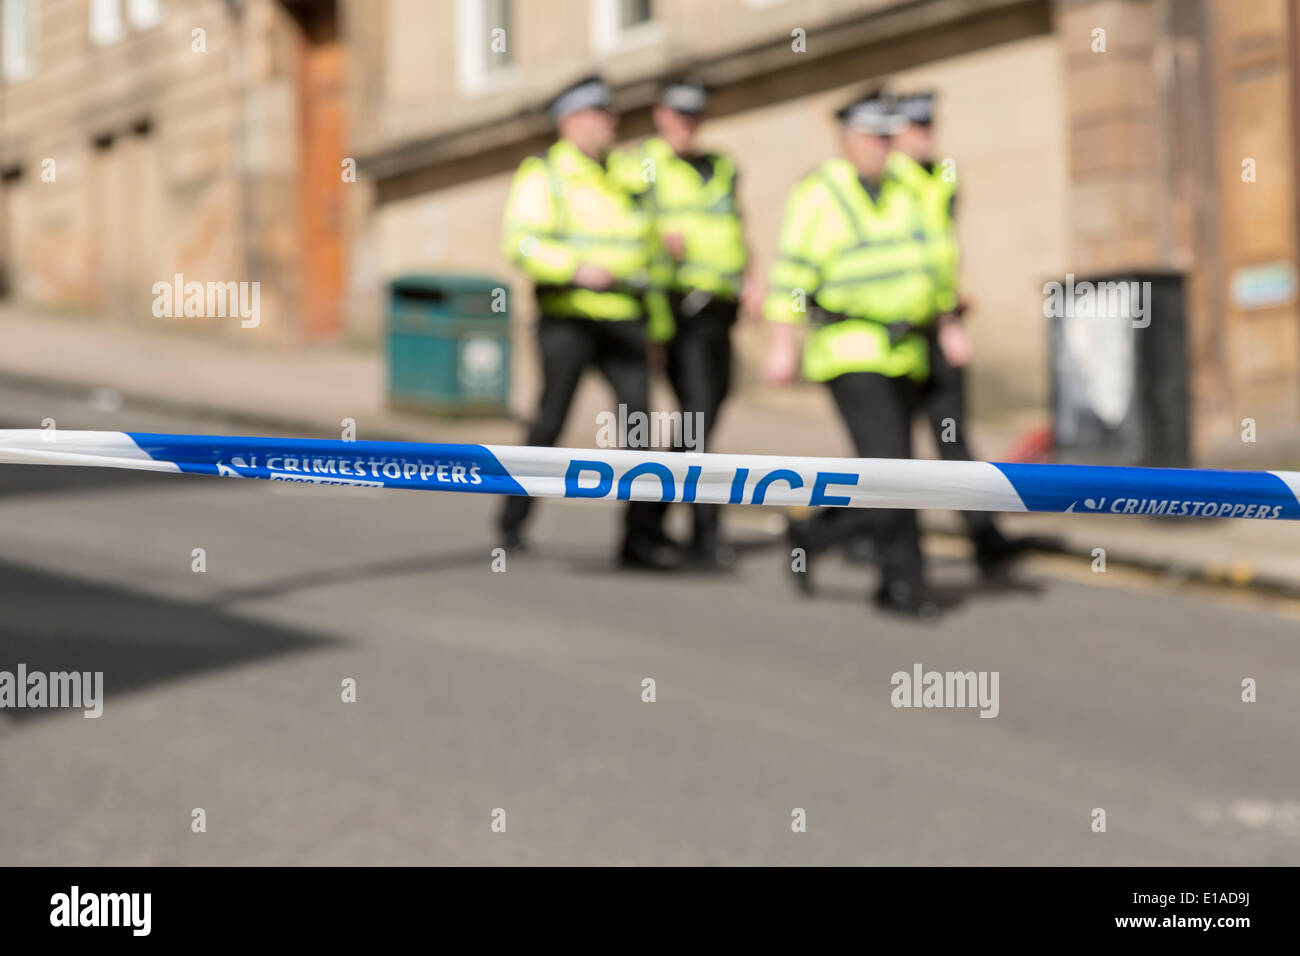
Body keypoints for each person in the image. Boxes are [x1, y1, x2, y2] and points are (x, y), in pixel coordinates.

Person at [763, 90, 938, 618]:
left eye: (890, 137)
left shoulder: (907, 187)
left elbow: (931, 257)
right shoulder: (819, 193)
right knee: (897, 469)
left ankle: (814, 534)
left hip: (905, 350)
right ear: (848, 139)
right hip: (850, 350)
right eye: (875, 138)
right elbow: (791, 274)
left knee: (887, 472)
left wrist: (946, 316)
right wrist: (781, 343)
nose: (885, 148)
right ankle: (903, 585)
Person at [497, 74, 676, 570]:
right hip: (568, 319)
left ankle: (639, 539)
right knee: (550, 422)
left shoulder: (626, 173)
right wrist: (573, 269)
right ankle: (512, 523)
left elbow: (646, 251)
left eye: (610, 115)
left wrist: (657, 325)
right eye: (597, 116)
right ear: (569, 122)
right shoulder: (544, 173)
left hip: (625, 320)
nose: (608, 124)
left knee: (638, 428)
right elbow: (521, 244)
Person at [609, 77, 759, 569]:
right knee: (696, 419)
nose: (687, 126)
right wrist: (655, 235)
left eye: (695, 116)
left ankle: (649, 525)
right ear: (660, 114)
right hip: (676, 310)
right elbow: (618, 224)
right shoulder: (639, 165)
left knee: (703, 419)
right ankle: (699, 531)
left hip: (720, 308)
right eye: (679, 115)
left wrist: (752, 279)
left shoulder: (720, 166)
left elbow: (735, 225)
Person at [886, 90, 1034, 575]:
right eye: (915, 127)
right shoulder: (886, 180)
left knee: (953, 441)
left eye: (930, 126)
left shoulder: (943, 176)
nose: (926, 135)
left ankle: (984, 537)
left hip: (937, 324)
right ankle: (823, 532)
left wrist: (952, 309)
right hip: (897, 331)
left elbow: (943, 250)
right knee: (890, 455)